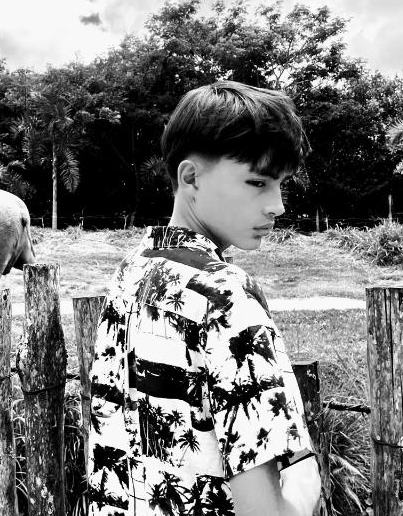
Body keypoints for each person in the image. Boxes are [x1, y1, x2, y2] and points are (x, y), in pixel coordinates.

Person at [87, 81, 322, 516]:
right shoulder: (226, 295)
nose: (278, 206)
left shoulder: (132, 269)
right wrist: (306, 473)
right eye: (257, 182)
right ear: (190, 177)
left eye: (281, 184)